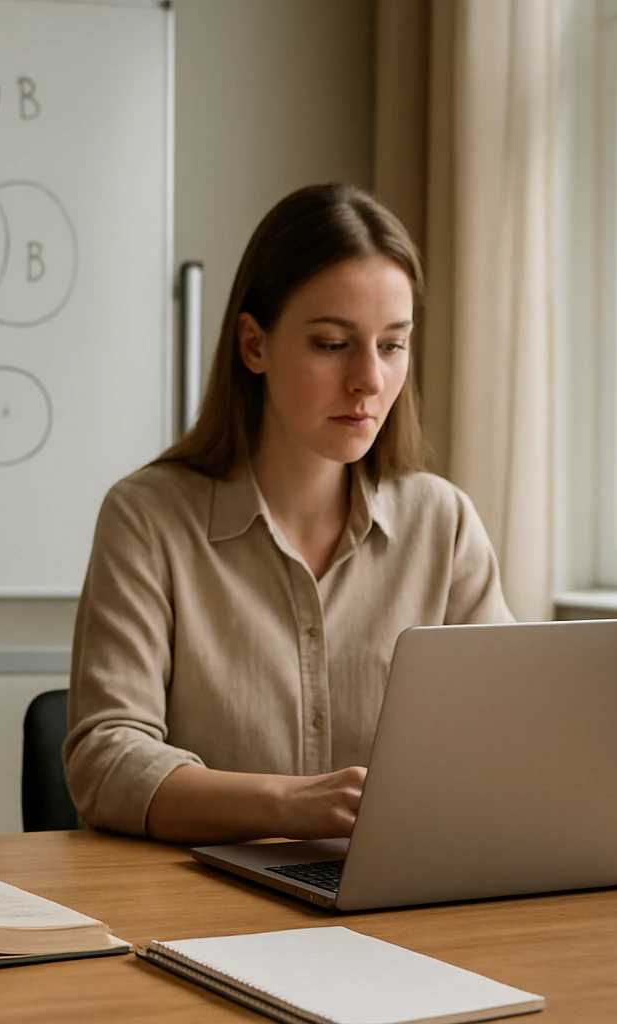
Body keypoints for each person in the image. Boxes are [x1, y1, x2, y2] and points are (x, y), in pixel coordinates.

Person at [63, 183, 510, 846]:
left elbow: (508, 740)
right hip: (200, 897)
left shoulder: (443, 523)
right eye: (332, 344)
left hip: (401, 890)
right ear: (254, 345)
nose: (369, 380)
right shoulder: (148, 517)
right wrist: (291, 805)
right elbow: (106, 761)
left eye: (392, 345)